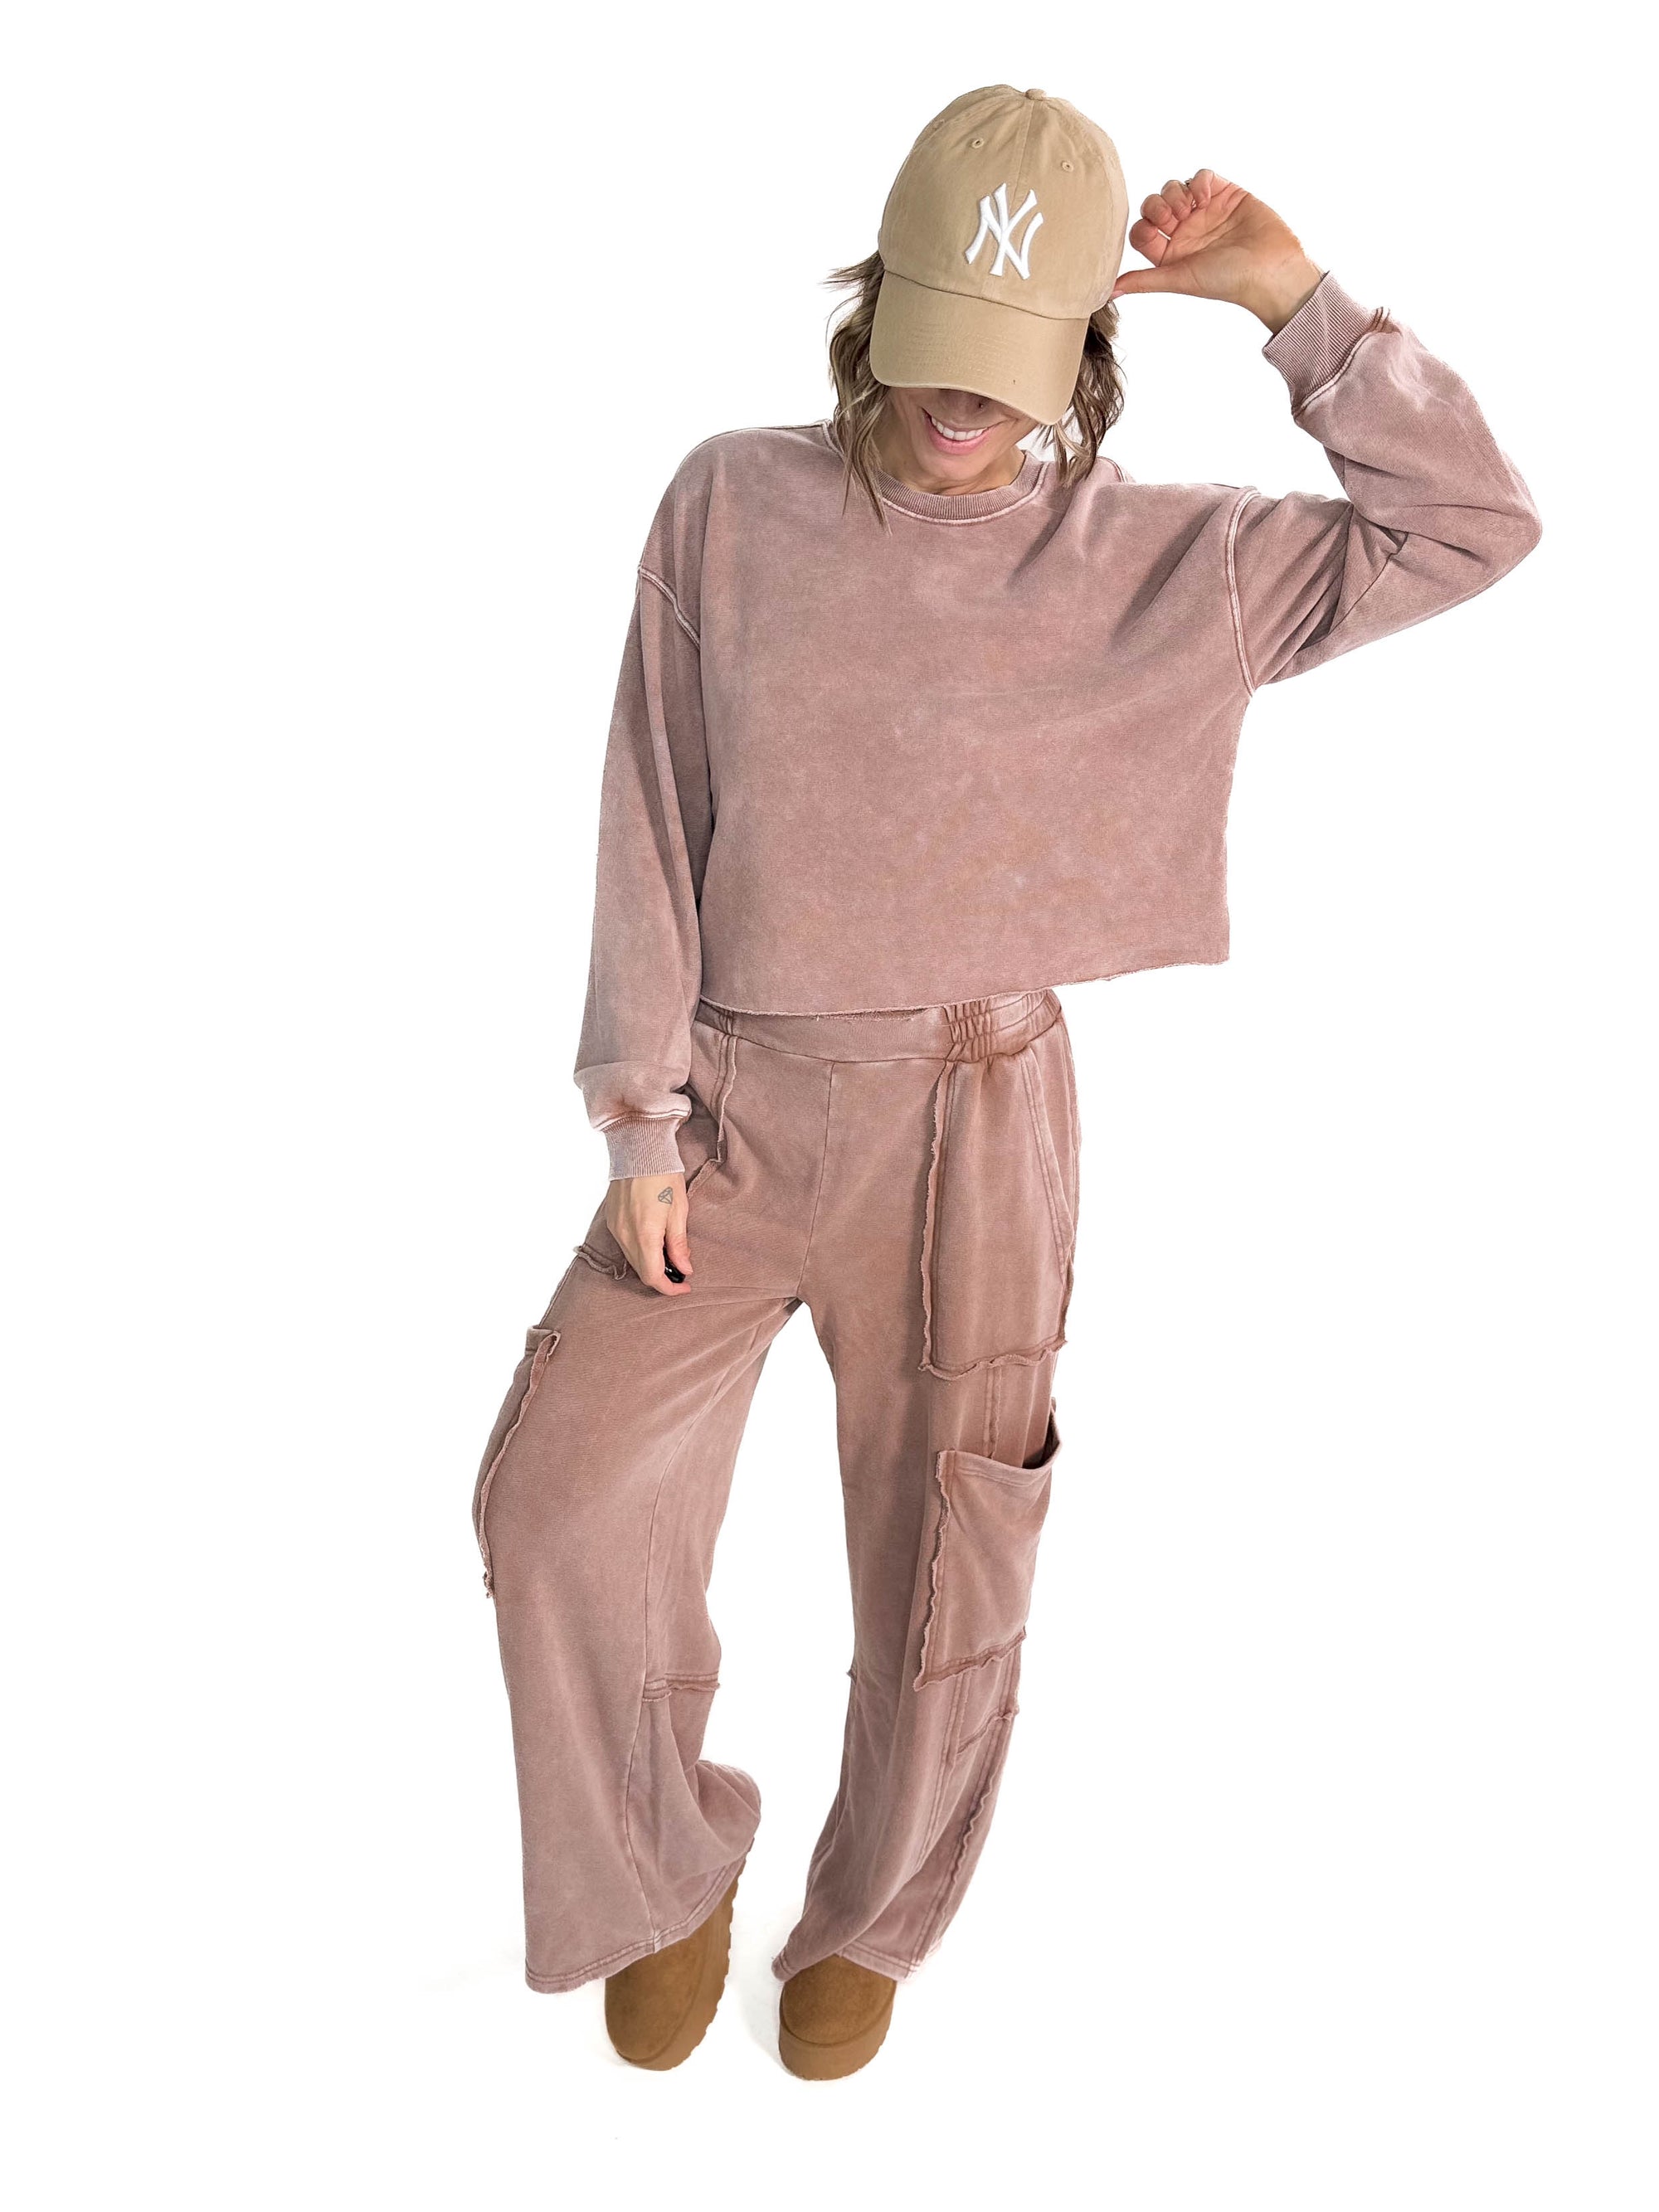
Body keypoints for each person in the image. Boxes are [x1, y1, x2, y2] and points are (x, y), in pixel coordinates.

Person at [469, 84, 1540, 2079]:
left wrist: (1294, 301)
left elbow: (1469, 523)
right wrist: (637, 1110)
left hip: (974, 1122)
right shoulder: (730, 504)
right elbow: (650, 803)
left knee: (947, 1550)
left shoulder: (1165, 563)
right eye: (932, 344)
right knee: (554, 1503)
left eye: (1008, 363)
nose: (960, 402)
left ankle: (872, 1912)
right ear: (872, 306)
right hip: (728, 1111)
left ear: (1079, 355)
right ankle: (658, 1860)